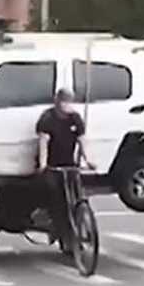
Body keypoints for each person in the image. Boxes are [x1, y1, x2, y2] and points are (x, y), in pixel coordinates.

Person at [36, 88, 95, 242]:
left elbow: (82, 141)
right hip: (51, 165)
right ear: (57, 101)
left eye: (69, 102)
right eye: (64, 101)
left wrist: (87, 160)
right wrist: (43, 164)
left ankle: (77, 219)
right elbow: (43, 142)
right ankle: (53, 221)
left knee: (76, 189)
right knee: (54, 190)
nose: (67, 106)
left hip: (69, 163)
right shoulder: (48, 118)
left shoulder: (75, 118)